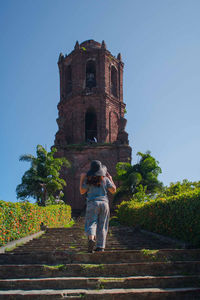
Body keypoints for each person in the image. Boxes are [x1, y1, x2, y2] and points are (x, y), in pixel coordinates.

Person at [80, 160, 116, 253]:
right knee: (103, 224)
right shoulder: (105, 179)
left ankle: (91, 238)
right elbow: (113, 190)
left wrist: (81, 179)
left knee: (91, 223)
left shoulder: (89, 179)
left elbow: (82, 191)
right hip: (104, 203)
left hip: (92, 203)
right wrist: (111, 178)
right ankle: (100, 247)